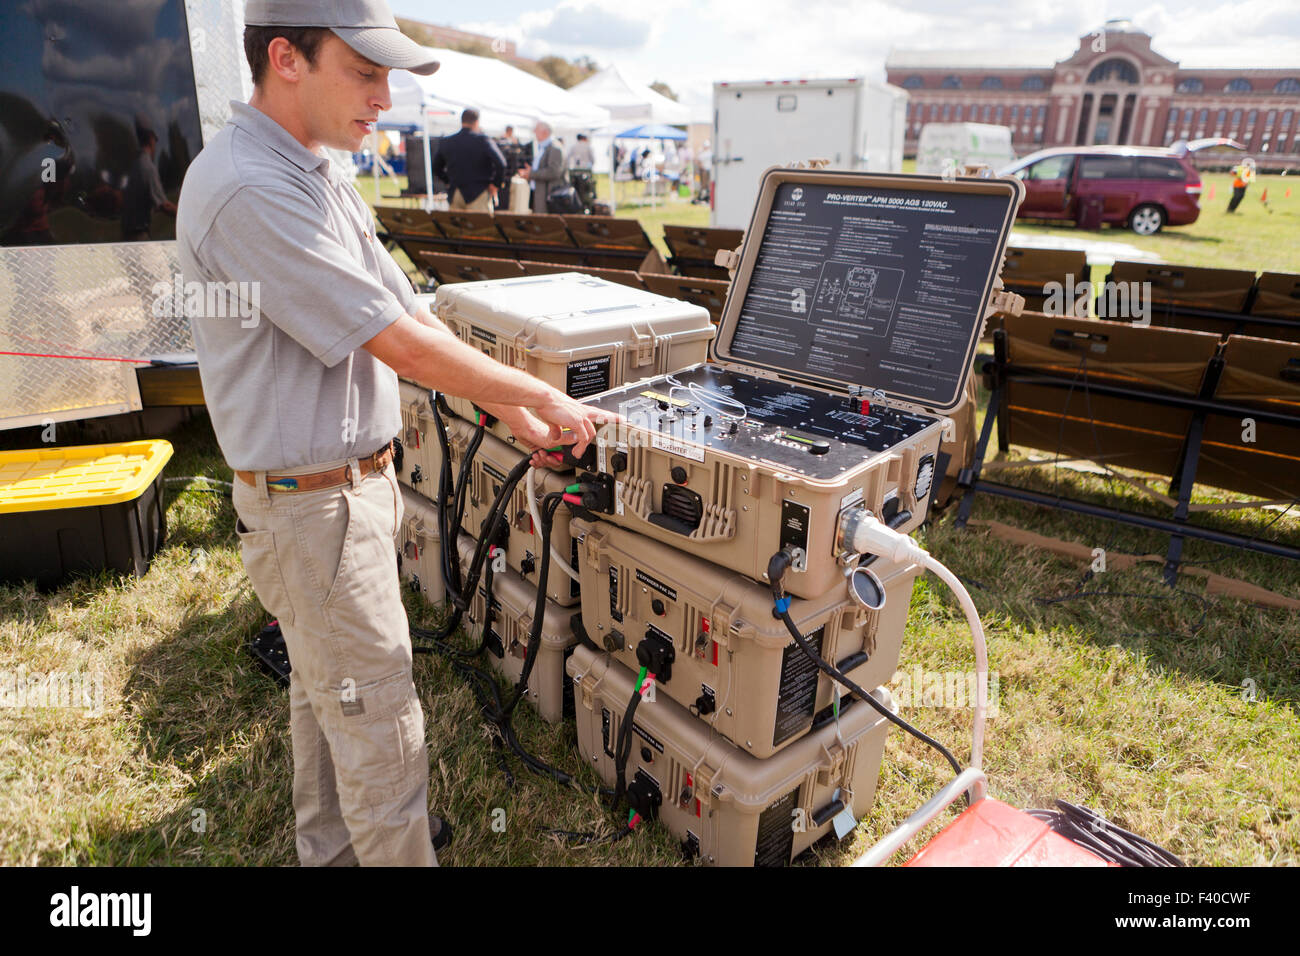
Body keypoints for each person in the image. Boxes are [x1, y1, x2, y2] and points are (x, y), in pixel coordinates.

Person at [175, 0, 608, 868]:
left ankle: (331, 854)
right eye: (366, 72)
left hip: (333, 499)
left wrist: (512, 412)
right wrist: (547, 396)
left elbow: (405, 306)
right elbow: (395, 339)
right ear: (287, 58)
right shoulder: (250, 187)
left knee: (328, 700)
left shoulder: (312, 168)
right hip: (314, 511)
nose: (384, 95)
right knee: (379, 726)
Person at [431, 108, 505, 213]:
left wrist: (448, 181)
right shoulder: (483, 140)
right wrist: (495, 184)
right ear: (477, 122)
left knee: (457, 227)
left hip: (455, 193)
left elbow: (436, 167)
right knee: (482, 228)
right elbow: (501, 164)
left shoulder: (447, 142)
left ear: (462, 121)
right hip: (478, 193)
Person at [122, 127, 177, 240]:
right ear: (151, 140)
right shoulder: (148, 167)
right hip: (139, 236)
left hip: (126, 233)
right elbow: (164, 205)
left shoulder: (134, 165)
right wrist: (185, 215)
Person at [518, 120, 564, 213]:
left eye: (536, 130)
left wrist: (531, 174)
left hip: (548, 196)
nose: (534, 132)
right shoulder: (543, 147)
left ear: (545, 132)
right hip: (539, 193)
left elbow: (553, 172)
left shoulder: (555, 148)